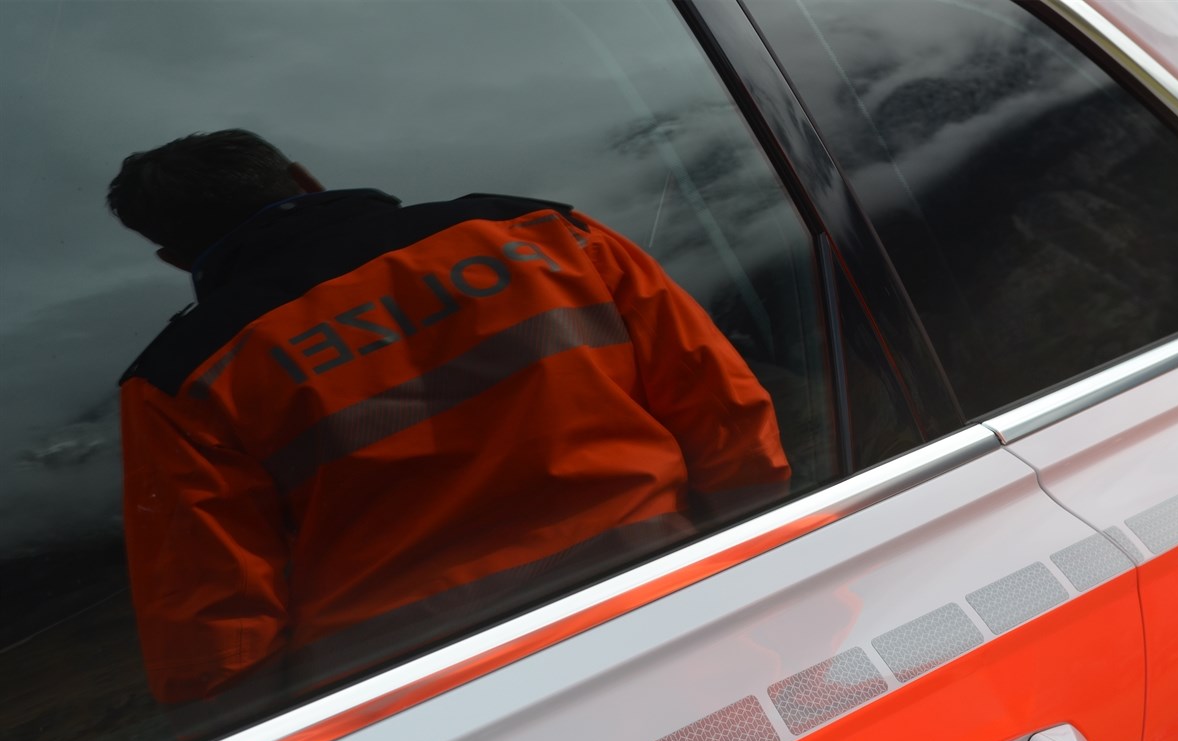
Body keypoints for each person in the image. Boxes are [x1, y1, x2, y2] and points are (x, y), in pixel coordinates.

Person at [109, 129, 791, 705]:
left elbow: (211, 622)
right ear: (304, 179)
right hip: (667, 608)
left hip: (409, 701)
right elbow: (725, 416)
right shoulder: (541, 234)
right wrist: (756, 571)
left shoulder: (179, 379)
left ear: (173, 257)